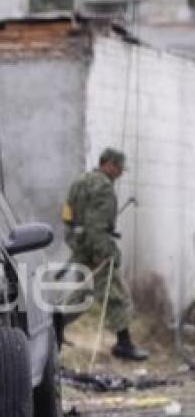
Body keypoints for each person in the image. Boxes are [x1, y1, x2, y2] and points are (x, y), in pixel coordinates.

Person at [62, 147, 148, 361]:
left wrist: (77, 242)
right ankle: (124, 345)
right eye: (118, 168)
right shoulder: (104, 187)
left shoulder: (80, 181)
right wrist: (105, 252)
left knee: (82, 295)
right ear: (108, 164)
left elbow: (67, 215)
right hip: (95, 249)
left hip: (81, 246)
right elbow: (96, 225)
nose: (120, 173)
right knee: (117, 296)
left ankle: (53, 328)